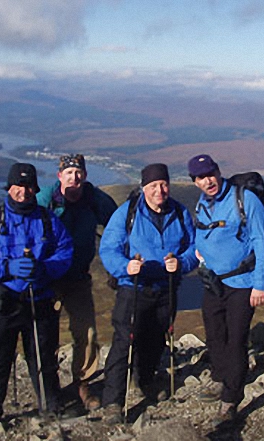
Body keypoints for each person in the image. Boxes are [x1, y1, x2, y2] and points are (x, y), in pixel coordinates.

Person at [0, 163, 73, 439]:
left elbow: (64, 252)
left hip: (40, 300)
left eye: (28, 187)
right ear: (9, 187)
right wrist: (6, 268)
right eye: (18, 186)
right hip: (4, 302)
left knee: (43, 358)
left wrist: (44, 269)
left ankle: (50, 407)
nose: (23, 192)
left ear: (35, 189)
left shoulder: (48, 220)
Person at [99, 163, 197, 423]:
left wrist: (182, 263)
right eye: (153, 186)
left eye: (163, 184)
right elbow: (109, 249)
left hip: (166, 288)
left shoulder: (179, 212)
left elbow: (194, 247)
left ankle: (145, 382)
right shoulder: (128, 213)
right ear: (143, 188)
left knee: (155, 340)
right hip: (134, 289)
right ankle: (113, 402)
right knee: (124, 343)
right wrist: (125, 266)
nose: (159, 190)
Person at [188, 154, 264, 426]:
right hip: (214, 281)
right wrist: (200, 255)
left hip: (243, 283)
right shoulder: (203, 203)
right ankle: (221, 376)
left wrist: (260, 284)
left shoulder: (245, 200)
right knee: (214, 335)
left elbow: (263, 241)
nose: (208, 181)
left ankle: (230, 399)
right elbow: (202, 233)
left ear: (218, 171)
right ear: (195, 182)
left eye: (210, 173)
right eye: (201, 178)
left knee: (236, 340)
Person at [37, 154, 118, 411]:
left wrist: (117, 265)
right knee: (44, 335)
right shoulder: (45, 201)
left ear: (85, 175)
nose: (75, 177)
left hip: (78, 277)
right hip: (47, 278)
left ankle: (83, 384)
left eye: (79, 172)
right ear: (59, 176)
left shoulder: (94, 199)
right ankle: (49, 389)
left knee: (87, 332)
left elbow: (117, 227)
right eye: (69, 173)